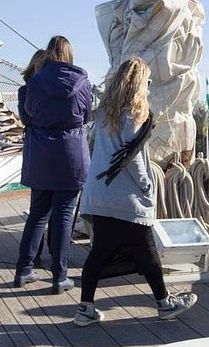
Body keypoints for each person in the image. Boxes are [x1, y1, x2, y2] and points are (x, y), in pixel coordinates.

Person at [73, 56, 197, 326]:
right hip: (124, 198)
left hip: (98, 195)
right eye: (148, 82)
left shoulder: (105, 112)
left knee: (99, 252)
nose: (150, 87)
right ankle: (164, 304)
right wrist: (147, 187)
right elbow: (135, 160)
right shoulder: (135, 113)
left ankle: (85, 309)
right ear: (141, 84)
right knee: (147, 250)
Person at [14, 35, 92, 294]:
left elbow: (28, 115)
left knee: (38, 214)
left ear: (48, 54)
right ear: (70, 55)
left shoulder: (35, 83)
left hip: (41, 152)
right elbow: (86, 115)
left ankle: (24, 270)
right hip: (71, 154)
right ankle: (60, 276)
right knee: (64, 216)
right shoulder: (82, 82)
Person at [17, 48, 50, 269]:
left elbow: (26, 119)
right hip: (52, 152)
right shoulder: (43, 91)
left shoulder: (24, 91)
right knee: (55, 211)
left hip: (36, 152)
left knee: (38, 209)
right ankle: (56, 261)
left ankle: (30, 259)